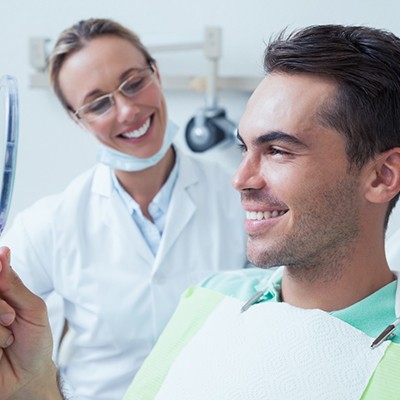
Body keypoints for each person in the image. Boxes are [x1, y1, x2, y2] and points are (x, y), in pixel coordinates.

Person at [1, 23, 400, 400]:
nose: (239, 179)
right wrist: (34, 385)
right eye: (244, 148)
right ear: (78, 120)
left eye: (277, 150)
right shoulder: (211, 297)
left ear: (382, 176)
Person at [0, 18, 248, 400]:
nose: (128, 110)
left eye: (134, 82)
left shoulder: (240, 199)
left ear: (157, 73)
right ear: (77, 120)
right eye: (98, 103)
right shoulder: (50, 224)